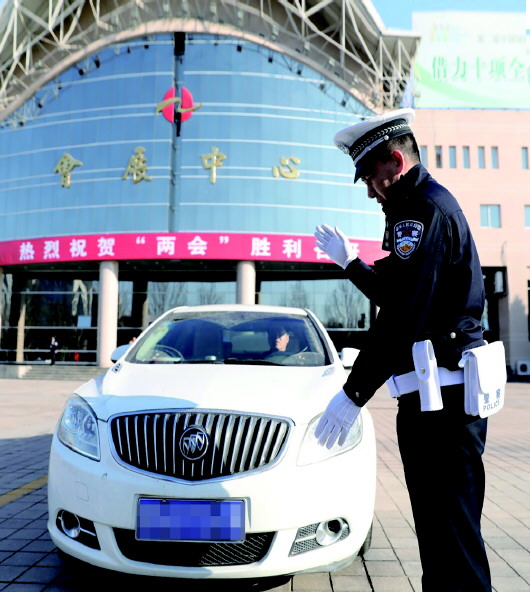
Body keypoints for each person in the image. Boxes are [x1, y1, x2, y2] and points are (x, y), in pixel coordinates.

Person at [314, 108, 491, 591]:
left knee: (454, 545)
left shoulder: (423, 210)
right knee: (438, 542)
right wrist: (352, 264)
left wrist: (354, 394)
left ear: (395, 161)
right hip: (430, 403)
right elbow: (397, 293)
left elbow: (403, 315)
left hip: (444, 408)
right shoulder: (412, 209)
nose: (370, 191)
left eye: (370, 177)